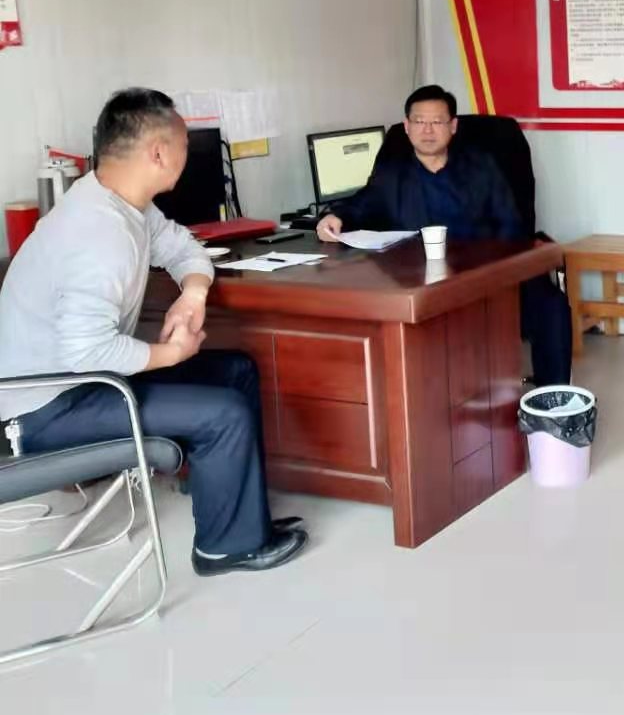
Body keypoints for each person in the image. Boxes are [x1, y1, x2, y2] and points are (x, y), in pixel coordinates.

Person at [0, 89, 307, 576]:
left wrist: (193, 294)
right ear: (159, 152)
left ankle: (232, 510)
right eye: (184, 143)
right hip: (47, 410)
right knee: (223, 413)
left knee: (235, 370)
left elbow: (184, 248)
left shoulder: (122, 203)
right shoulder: (98, 232)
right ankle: (225, 548)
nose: (187, 153)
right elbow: (87, 351)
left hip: (90, 384)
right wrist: (171, 353)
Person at [317, 85, 571, 387]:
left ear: (453, 126)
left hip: (486, 278)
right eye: (419, 121)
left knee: (550, 305)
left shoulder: (482, 169)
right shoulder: (391, 174)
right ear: (407, 127)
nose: (427, 130)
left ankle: (554, 397)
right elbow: (361, 204)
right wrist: (335, 217)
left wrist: (495, 273)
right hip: (420, 284)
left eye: (437, 121)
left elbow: (511, 226)